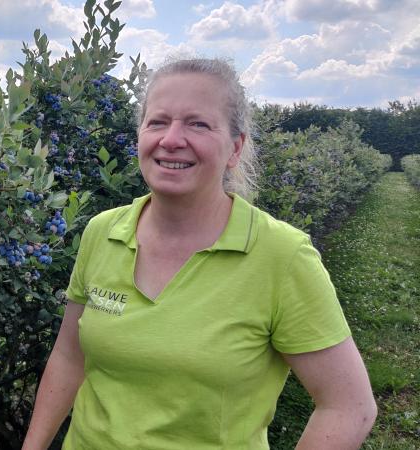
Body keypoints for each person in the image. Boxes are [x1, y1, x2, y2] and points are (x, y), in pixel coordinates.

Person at [22, 58, 377, 449]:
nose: (171, 139)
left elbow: (349, 406)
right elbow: (69, 359)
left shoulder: (282, 255)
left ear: (235, 148)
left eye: (198, 124)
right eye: (157, 121)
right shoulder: (103, 232)